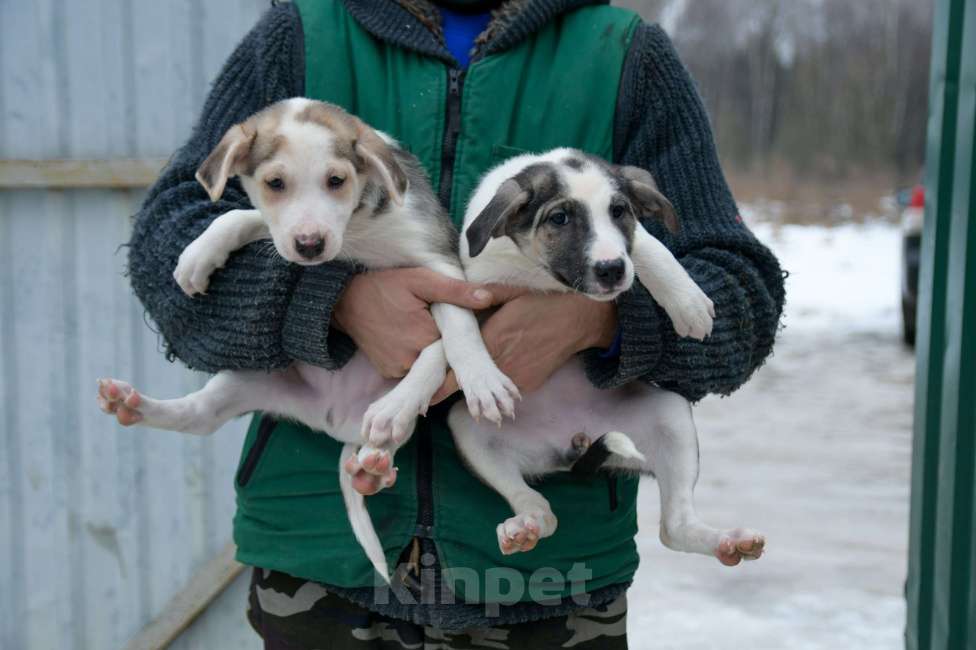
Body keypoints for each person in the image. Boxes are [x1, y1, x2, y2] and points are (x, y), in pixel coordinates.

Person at [123, 0, 785, 647]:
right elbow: (166, 256)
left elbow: (740, 300)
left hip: (551, 586)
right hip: (321, 579)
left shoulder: (624, 57)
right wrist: (330, 302)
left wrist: (599, 320)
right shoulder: (300, 36)